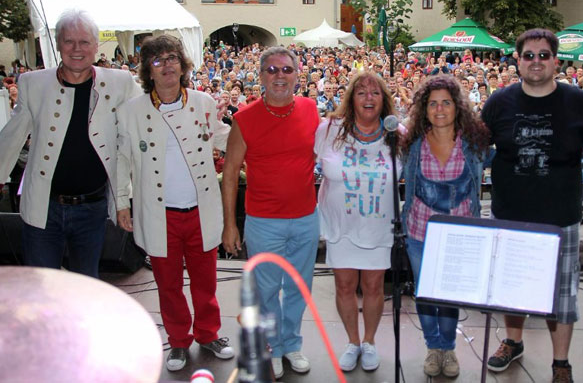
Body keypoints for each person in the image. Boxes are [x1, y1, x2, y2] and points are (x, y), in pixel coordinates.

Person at [481, 29, 583, 382]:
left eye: (544, 55)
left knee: (562, 295)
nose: (536, 61)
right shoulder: (499, 102)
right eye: (529, 55)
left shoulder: (578, 102)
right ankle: (513, 341)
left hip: (561, 217)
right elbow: (476, 149)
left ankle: (560, 361)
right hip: (510, 214)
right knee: (511, 287)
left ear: (556, 61)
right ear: (517, 61)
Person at [116, 35, 233, 372]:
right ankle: (179, 341)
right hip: (159, 214)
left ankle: (208, 333)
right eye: (158, 60)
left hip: (200, 210)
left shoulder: (203, 102)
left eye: (173, 58)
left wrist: (249, 128)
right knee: (168, 286)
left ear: (183, 66)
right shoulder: (131, 111)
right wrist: (122, 202)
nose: (167, 65)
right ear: (148, 70)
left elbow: (224, 138)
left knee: (205, 282)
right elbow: (122, 160)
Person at [0, 9, 140, 277]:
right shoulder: (33, 83)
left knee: (85, 285)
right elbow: (11, 136)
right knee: (42, 284)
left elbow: (145, 118)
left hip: (93, 207)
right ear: (58, 44)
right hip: (43, 205)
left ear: (96, 46)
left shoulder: (120, 83)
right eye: (69, 41)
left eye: (84, 42)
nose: (77, 49)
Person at [221, 46, 320, 379]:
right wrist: (230, 225)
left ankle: (291, 344)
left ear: (297, 76)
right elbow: (230, 174)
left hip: (306, 218)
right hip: (263, 222)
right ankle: (273, 347)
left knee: (298, 287)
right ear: (261, 76)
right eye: (272, 70)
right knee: (266, 291)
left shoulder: (310, 109)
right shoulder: (244, 119)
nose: (280, 76)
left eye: (287, 70)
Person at [400, 74, 491, 378]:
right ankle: (433, 346)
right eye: (433, 104)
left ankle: (448, 347)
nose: (439, 109)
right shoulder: (413, 144)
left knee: (450, 293)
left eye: (446, 103)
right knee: (425, 293)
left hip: (459, 234)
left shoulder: (474, 144)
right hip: (419, 231)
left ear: (458, 106)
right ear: (424, 109)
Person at [315, 71, 400, 372]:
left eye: (375, 92)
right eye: (361, 92)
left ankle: (369, 341)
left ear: (384, 99)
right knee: (344, 285)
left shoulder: (397, 133)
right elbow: (306, 163)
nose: (368, 98)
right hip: (341, 227)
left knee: (374, 286)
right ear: (351, 98)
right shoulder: (329, 129)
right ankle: (352, 342)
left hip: (378, 227)